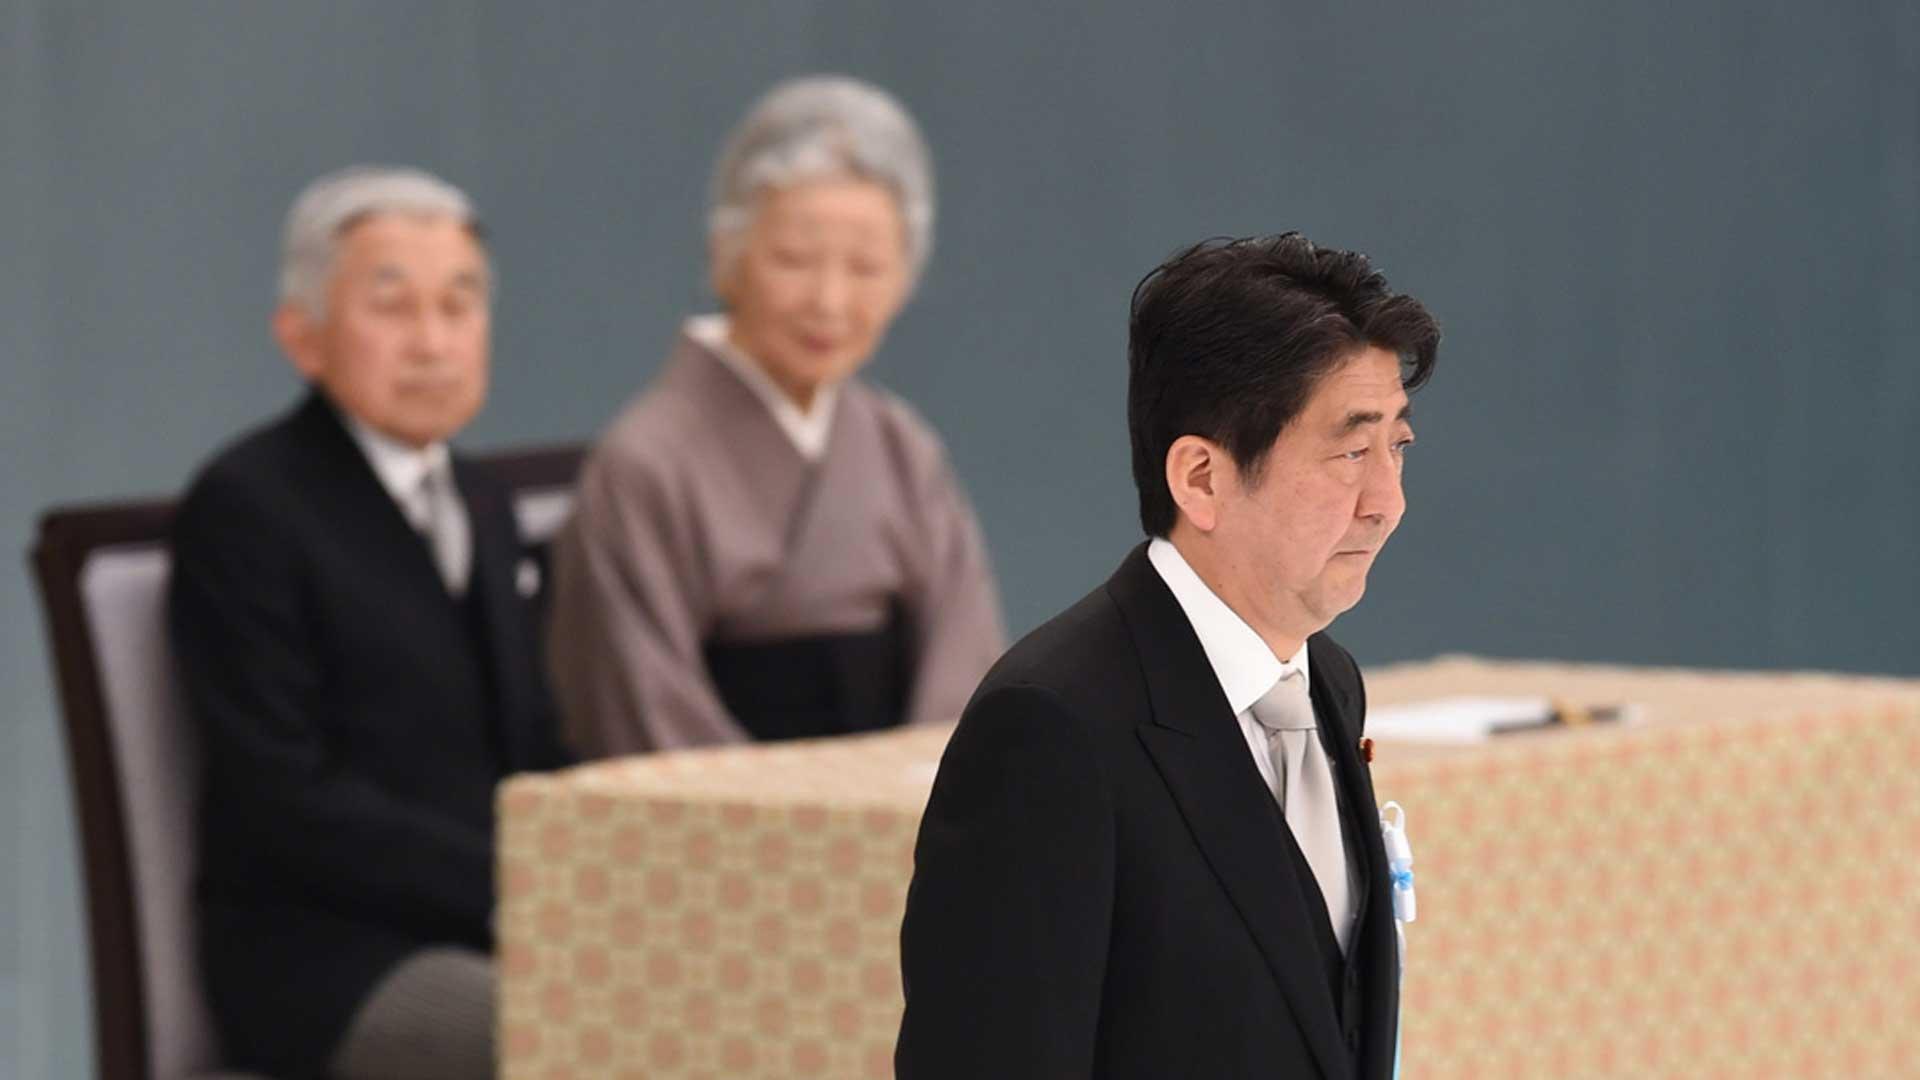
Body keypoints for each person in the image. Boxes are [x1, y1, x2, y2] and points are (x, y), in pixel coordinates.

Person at [896, 233, 1440, 1079]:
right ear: (1201, 478)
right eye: (1349, 452)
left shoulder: (1329, 685)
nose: (1387, 503)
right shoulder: (1051, 726)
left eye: (1397, 448)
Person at [167, 165, 572, 1079]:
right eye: (392, 307)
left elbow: (536, 740)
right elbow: (286, 795)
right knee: (588, 1039)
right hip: (328, 957)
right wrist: (511, 886)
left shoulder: (485, 500)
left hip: (501, 920)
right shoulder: (249, 507)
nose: (432, 341)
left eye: (460, 305)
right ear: (300, 336)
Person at [549, 76, 1005, 756]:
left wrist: (929, 798)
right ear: (727, 256)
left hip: (908, 828)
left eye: (866, 267)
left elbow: (965, 662)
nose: (829, 300)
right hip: (737, 839)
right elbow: (640, 706)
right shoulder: (644, 462)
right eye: (794, 260)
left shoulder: (898, 443)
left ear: (907, 278)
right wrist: (791, 832)